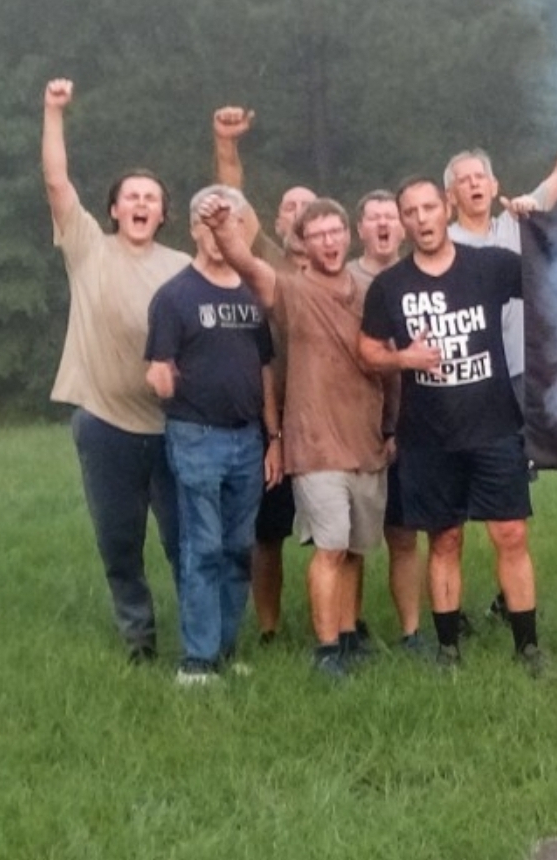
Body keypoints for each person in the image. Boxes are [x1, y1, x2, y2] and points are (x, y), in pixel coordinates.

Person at [205, 192, 398, 677]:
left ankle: (349, 635)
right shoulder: (290, 291)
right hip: (315, 444)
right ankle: (327, 651)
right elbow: (248, 265)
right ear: (302, 243)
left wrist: (392, 427)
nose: (328, 242)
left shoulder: (369, 292)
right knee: (330, 547)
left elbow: (389, 364)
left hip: (366, 441)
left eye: (335, 232)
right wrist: (224, 228)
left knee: (355, 549)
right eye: (317, 235)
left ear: (348, 236)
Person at [357, 176, 545, 674]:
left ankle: (528, 647)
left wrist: (532, 220)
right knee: (444, 540)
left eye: (429, 208)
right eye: (411, 212)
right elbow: (367, 349)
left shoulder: (490, 266)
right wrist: (404, 358)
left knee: (511, 534)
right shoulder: (390, 286)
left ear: (446, 207)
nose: (422, 219)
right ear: (403, 222)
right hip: (429, 437)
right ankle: (447, 650)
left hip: (494, 427)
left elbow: (547, 270)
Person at [41, 78, 192, 663]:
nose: (141, 204)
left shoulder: (183, 269)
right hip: (105, 425)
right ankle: (139, 641)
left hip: (175, 428)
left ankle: (201, 641)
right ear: (113, 209)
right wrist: (54, 111)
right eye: (131, 196)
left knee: (185, 542)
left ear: (163, 213)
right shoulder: (88, 249)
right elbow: (57, 181)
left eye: (151, 198)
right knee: (120, 544)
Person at [146, 185, 280, 684]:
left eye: (230, 223)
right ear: (194, 230)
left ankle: (224, 649)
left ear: (242, 230)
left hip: (248, 440)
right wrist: (161, 379)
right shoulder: (174, 296)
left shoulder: (252, 294)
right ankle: (196, 660)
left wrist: (274, 438)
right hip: (196, 436)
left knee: (239, 548)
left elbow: (265, 369)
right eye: (208, 224)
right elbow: (159, 364)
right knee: (202, 547)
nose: (218, 234)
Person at [443, 77, 557, 412]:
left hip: (524, 372)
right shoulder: (444, 244)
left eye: (480, 177)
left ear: (494, 186)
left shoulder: (517, 222)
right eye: (464, 180)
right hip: (472, 379)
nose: (474, 184)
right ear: (451, 196)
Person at [210, 111, 309, 646]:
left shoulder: (341, 271)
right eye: (290, 207)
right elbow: (230, 202)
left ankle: (344, 623)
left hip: (324, 422)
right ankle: (269, 628)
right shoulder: (265, 260)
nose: (300, 214)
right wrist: (226, 145)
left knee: (338, 535)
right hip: (268, 418)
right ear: (276, 221)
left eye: (309, 207)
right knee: (267, 534)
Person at [348, 187, 422, 650]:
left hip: (413, 424)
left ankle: (411, 632)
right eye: (373, 217)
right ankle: (349, 628)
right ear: (360, 229)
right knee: (351, 541)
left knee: (404, 535)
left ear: (403, 226)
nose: (383, 224)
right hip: (356, 426)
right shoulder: (345, 280)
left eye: (390, 217)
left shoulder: (421, 275)